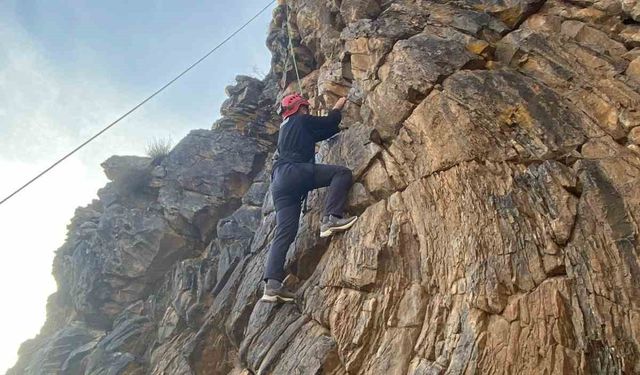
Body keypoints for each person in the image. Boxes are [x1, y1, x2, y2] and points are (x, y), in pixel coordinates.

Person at [261, 93, 358, 303]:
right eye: (305, 107)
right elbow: (330, 121)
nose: (307, 110)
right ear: (300, 108)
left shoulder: (286, 130)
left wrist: (335, 128)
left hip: (279, 183)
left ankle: (272, 284)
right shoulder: (301, 120)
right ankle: (331, 217)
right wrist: (337, 107)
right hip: (293, 172)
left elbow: (324, 131)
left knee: (285, 232)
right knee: (341, 173)